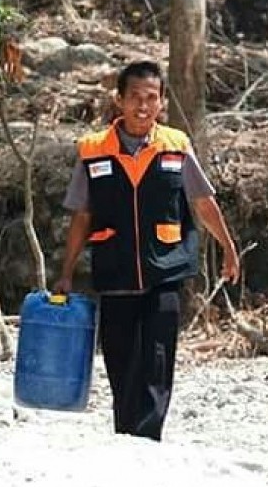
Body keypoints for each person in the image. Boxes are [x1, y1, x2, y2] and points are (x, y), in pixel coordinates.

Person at [54, 60, 240, 441]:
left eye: (151, 98)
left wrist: (229, 248)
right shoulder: (93, 151)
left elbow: (203, 203)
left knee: (158, 358)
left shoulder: (176, 146)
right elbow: (82, 216)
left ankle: (148, 435)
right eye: (135, 97)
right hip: (115, 272)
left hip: (164, 271)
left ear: (162, 102)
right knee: (120, 360)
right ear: (119, 100)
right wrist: (67, 270)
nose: (142, 106)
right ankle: (126, 433)